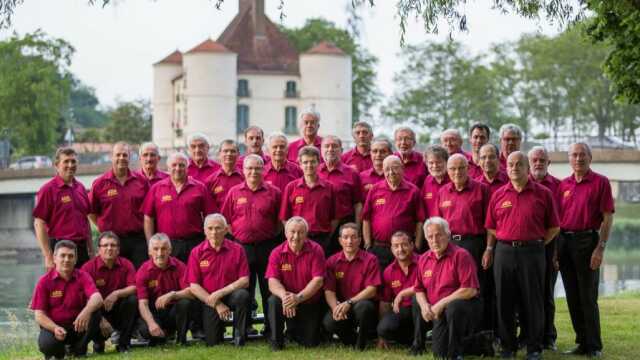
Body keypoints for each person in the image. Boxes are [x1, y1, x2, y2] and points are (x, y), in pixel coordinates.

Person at [484, 151, 560, 360]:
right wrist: (506, 239)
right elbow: (490, 226)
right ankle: (508, 347)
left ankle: (534, 347)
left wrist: (536, 242)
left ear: (527, 168)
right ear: (505, 168)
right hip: (504, 252)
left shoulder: (543, 193)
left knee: (533, 300)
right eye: (510, 164)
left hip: (533, 252)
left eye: (519, 164)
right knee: (504, 300)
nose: (514, 168)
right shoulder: (498, 194)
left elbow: (554, 227)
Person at [557, 143, 614, 358]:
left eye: (582, 155)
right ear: (569, 159)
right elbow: (556, 220)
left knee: (587, 296)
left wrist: (600, 248)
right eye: (574, 155)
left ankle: (594, 346)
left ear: (590, 158)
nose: (578, 158)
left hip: (587, 241)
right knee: (572, 295)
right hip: (564, 242)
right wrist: (555, 251)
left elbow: (608, 217)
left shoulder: (601, 182)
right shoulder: (563, 185)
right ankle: (581, 342)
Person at [221, 154, 282, 335]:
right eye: (249, 168)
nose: (253, 172)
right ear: (244, 170)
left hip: (267, 246)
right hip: (242, 247)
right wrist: (240, 235)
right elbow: (226, 220)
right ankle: (245, 327)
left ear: (263, 170)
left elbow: (280, 221)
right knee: (244, 289)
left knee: (267, 289)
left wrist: (269, 234)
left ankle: (270, 328)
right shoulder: (234, 192)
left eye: (257, 168)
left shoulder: (274, 192)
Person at [412, 217, 483, 359]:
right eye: (430, 236)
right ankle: (479, 342)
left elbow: (470, 290)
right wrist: (425, 305)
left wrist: (441, 303)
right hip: (439, 312)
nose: (435, 240)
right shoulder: (424, 259)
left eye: (439, 235)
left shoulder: (461, 255)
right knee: (439, 354)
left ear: (448, 235)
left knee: (454, 307)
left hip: (464, 307)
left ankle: (456, 354)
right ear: (426, 238)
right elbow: (418, 289)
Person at [436, 154, 492, 331]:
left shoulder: (482, 190)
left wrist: (489, 248)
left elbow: (491, 224)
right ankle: (453, 329)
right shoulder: (442, 192)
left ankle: (480, 332)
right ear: (447, 170)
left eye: (461, 168)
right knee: (451, 288)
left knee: (476, 289)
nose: (457, 172)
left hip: (474, 245)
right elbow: (437, 223)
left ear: (468, 168)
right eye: (452, 168)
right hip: (449, 246)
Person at [186, 214, 251, 347]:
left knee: (242, 295)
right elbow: (194, 286)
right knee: (212, 342)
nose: (214, 232)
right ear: (204, 230)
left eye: (218, 228)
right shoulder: (196, 252)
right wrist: (217, 304)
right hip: (209, 299)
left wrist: (220, 293)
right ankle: (218, 331)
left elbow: (245, 280)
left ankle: (239, 336)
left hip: (231, 295)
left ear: (226, 230)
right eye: (210, 228)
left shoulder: (238, 249)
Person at [31, 240, 103, 359]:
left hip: (78, 325)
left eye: (70, 256)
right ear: (54, 258)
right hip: (55, 327)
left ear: (75, 259)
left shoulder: (83, 276)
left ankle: (79, 349)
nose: (66, 260)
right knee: (47, 345)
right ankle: (60, 352)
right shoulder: (44, 282)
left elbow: (97, 298)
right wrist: (54, 328)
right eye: (62, 256)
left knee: (95, 312)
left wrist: (86, 312)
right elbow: (39, 315)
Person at [142, 152, 215, 263]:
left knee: (194, 278)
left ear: (187, 167)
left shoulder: (200, 188)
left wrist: (207, 242)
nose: (178, 168)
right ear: (168, 168)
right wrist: (150, 244)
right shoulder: (157, 188)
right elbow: (148, 218)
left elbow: (210, 217)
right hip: (166, 245)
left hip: (194, 243)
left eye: (181, 165)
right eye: (174, 165)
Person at [266, 217, 326, 350]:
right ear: (286, 233)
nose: (296, 236)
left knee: (310, 343)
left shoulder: (316, 250)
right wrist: (285, 297)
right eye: (292, 232)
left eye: (301, 232)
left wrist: (298, 298)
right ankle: (277, 342)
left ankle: (293, 332)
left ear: (306, 234)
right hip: (286, 302)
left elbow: (318, 280)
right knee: (273, 301)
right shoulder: (276, 252)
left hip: (308, 301)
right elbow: (272, 281)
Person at [89, 142, 149, 268]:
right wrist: (104, 226)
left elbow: (149, 212)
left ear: (129, 157)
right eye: (118, 155)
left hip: (138, 241)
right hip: (111, 242)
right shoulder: (99, 184)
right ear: (111, 157)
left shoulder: (142, 182)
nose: (121, 158)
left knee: (139, 279)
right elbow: (91, 212)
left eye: (124, 155)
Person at [323, 223, 380, 350]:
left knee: (364, 307)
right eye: (346, 237)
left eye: (354, 237)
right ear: (339, 240)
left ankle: (361, 345)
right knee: (329, 322)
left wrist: (350, 302)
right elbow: (329, 290)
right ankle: (352, 340)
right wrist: (335, 308)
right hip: (341, 306)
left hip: (360, 305)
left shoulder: (371, 260)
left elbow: (372, 290)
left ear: (360, 240)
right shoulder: (331, 261)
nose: (349, 241)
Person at [33, 147, 93, 269]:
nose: (70, 165)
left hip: (81, 250)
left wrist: (91, 250)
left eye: (73, 161)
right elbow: (39, 223)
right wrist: (48, 256)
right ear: (56, 165)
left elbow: (85, 221)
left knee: (83, 286)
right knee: (61, 287)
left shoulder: (81, 188)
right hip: (60, 250)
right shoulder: (48, 190)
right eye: (66, 161)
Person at [362, 155, 425, 267]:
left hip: (404, 249)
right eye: (386, 169)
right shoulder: (375, 190)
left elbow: (420, 221)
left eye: (395, 168)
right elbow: (366, 219)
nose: (391, 172)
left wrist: (417, 246)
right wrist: (367, 244)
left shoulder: (413, 191)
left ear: (402, 168)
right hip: (379, 248)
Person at [528, 146, 562, 350]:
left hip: (550, 245)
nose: (538, 163)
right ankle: (528, 335)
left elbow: (560, 223)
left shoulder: (558, 186)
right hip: (525, 247)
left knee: (546, 293)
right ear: (528, 163)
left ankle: (548, 337)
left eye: (542, 160)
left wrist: (555, 252)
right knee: (525, 293)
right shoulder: (519, 183)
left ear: (549, 163)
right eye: (535, 160)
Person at [81, 232, 137, 353]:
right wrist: (101, 319)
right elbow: (83, 297)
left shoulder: (126, 264)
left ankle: (123, 344)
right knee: (91, 311)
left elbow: (134, 287)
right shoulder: (88, 268)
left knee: (132, 300)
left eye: (113, 245)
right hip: (98, 312)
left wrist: (116, 293)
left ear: (118, 249)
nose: (109, 248)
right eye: (105, 245)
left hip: (118, 310)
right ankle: (98, 343)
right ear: (99, 249)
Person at [279, 146, 338, 256]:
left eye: (312, 162)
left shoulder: (330, 187)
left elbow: (335, 218)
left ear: (319, 163)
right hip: (297, 240)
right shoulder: (291, 187)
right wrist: (293, 236)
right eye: (305, 162)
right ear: (300, 164)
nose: (309, 165)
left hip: (322, 240)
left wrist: (327, 235)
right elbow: (284, 217)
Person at [136, 233, 192, 346]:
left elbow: (191, 292)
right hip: (153, 312)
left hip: (173, 311)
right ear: (149, 251)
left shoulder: (180, 266)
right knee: (147, 331)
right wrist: (151, 323)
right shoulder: (143, 271)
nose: (160, 253)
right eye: (155, 249)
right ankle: (161, 334)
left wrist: (172, 294)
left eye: (164, 249)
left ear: (170, 250)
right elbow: (143, 304)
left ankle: (181, 340)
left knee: (185, 302)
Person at [319, 135, 363, 254]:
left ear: (341, 151)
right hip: (320, 227)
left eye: (334, 146)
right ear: (321, 150)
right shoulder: (315, 172)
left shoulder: (352, 173)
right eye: (326, 146)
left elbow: (358, 204)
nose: (330, 149)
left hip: (344, 227)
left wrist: (357, 228)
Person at [377, 231, 418, 349]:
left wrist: (403, 293)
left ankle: (421, 339)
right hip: (403, 311)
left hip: (424, 308)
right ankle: (410, 340)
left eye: (404, 245)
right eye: (396, 246)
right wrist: (381, 337)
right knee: (383, 329)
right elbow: (385, 302)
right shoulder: (388, 271)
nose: (400, 249)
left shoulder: (424, 262)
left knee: (417, 299)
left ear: (412, 245)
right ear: (391, 249)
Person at [204, 140, 244, 211]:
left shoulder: (245, 178)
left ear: (238, 154)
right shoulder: (210, 181)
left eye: (232, 151)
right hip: (219, 221)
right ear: (219, 154)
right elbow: (208, 208)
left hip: (239, 221)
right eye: (225, 151)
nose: (229, 154)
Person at [422, 145, 451, 218]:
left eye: (439, 162)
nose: (435, 166)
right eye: (431, 163)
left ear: (447, 162)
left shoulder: (453, 180)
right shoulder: (427, 181)